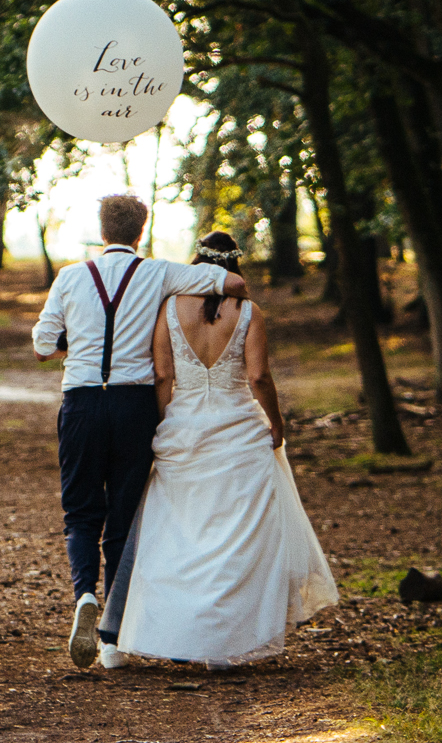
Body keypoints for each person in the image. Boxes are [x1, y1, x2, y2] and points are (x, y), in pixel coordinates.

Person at [100, 231, 337, 667]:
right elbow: (260, 377)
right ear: (236, 267)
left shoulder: (170, 309)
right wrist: (277, 425)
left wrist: (163, 424)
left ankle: (179, 631)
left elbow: (163, 375)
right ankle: (222, 646)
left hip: (184, 429)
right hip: (236, 430)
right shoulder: (248, 312)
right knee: (232, 539)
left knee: (180, 535)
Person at [31, 194, 248, 670]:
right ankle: (112, 638)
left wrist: (79, 340)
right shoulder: (160, 272)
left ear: (101, 230)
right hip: (134, 405)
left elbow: (44, 345)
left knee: (82, 511)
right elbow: (232, 281)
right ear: (141, 231)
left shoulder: (70, 277)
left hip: (83, 402)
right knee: (125, 516)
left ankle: (84, 592)